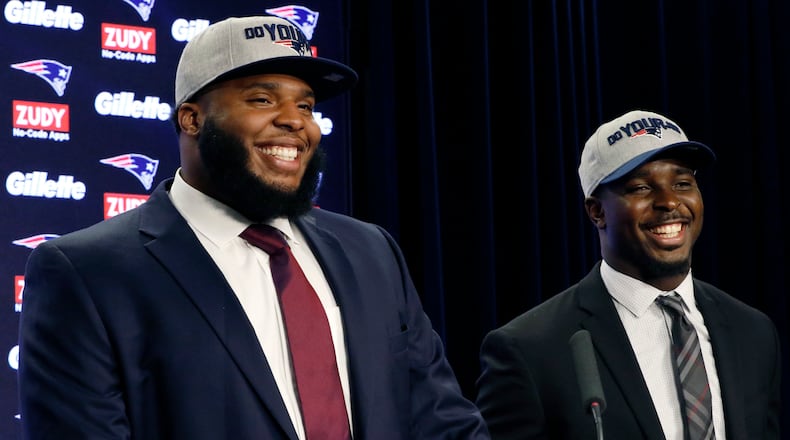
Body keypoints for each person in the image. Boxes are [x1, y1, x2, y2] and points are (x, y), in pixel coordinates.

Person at [18, 15, 490, 439]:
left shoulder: (370, 250)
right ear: (192, 119)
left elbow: (442, 421)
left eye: (305, 106)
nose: (294, 122)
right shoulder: (87, 272)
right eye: (262, 99)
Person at [475, 109, 781, 439]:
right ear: (596, 211)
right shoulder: (529, 349)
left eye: (682, 184)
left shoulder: (752, 331)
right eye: (640, 188)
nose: (669, 202)